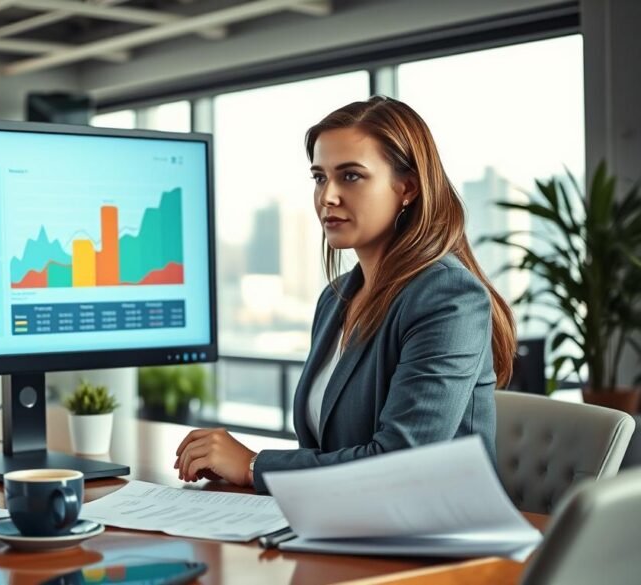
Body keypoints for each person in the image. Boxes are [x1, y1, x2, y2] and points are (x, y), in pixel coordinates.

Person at [174, 96, 517, 493]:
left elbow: (402, 460)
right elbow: (324, 448)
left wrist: (252, 466)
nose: (328, 196)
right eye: (319, 177)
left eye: (350, 176)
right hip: (343, 524)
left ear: (406, 187)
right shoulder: (335, 299)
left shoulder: (448, 297)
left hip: (438, 536)